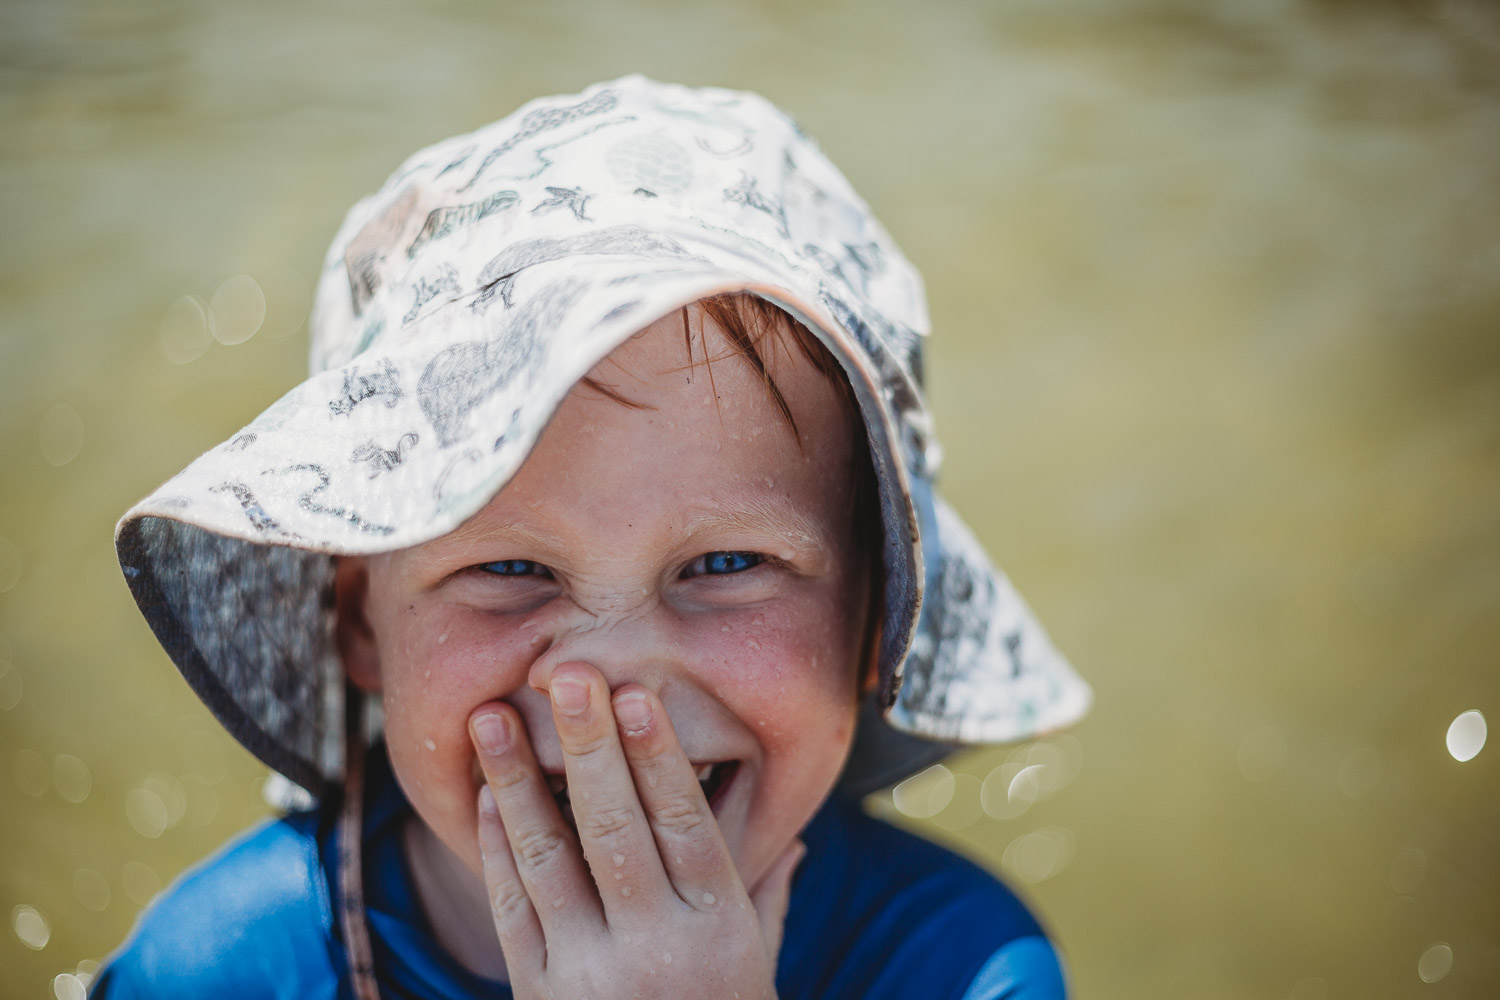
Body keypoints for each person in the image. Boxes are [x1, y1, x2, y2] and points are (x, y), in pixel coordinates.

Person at [95, 75, 1092, 999]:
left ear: (879, 619)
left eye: (727, 563)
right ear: (358, 619)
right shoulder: (210, 968)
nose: (610, 679)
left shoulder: (957, 965)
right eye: (511, 567)